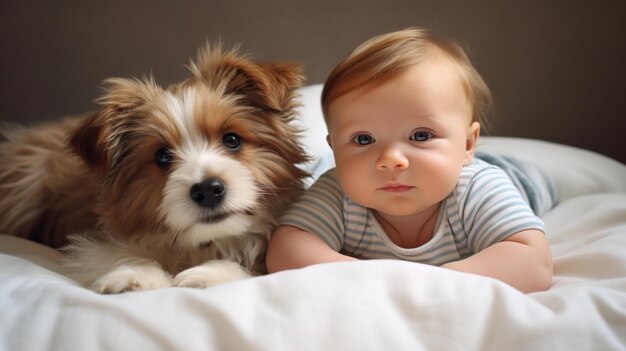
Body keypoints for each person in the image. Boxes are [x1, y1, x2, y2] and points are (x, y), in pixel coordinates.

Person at [266, 27, 556, 293]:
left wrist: (434, 280)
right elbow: (285, 249)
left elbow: (534, 263)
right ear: (336, 151)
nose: (391, 160)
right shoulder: (338, 193)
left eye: (420, 135)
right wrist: (360, 275)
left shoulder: (477, 188)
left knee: (531, 182)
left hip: (514, 177)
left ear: (468, 144)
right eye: (363, 139)